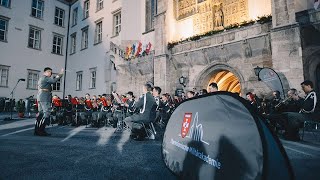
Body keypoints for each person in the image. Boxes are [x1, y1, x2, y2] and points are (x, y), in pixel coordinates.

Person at [34, 67, 64, 136]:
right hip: (45, 97)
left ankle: (37, 130)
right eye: (50, 72)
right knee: (46, 113)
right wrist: (60, 74)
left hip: (40, 97)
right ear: (46, 72)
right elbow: (53, 81)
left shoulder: (42, 78)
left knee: (40, 114)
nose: (51, 73)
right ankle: (41, 130)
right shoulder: (46, 77)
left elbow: (52, 80)